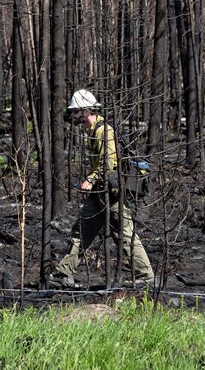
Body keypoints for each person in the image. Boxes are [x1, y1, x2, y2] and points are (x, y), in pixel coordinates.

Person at [49, 89, 155, 289]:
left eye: (75, 111)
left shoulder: (103, 131)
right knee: (81, 230)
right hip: (100, 191)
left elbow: (108, 164)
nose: (72, 115)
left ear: (85, 110)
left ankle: (146, 276)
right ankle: (64, 273)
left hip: (110, 193)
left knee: (125, 234)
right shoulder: (93, 131)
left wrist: (91, 179)